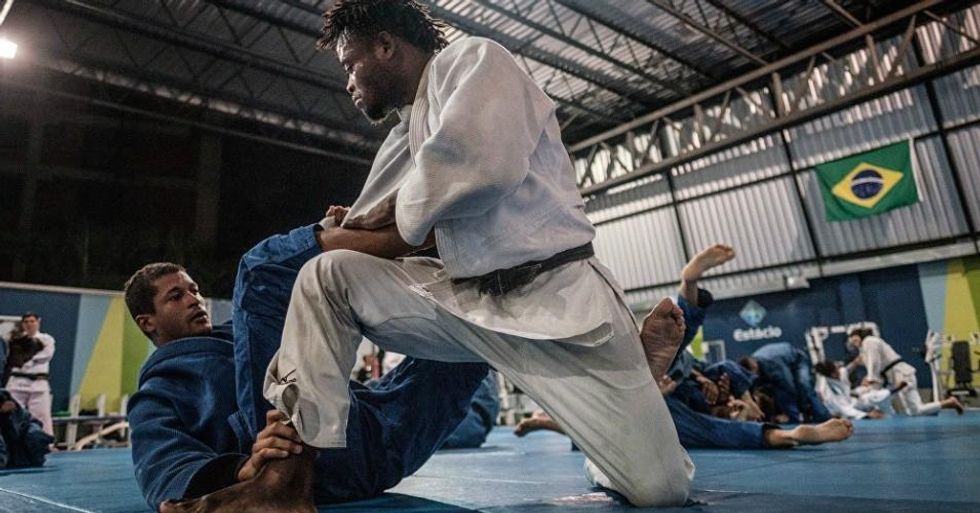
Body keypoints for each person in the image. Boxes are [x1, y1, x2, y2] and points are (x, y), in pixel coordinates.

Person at [261, 1, 693, 507]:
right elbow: (369, 225)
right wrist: (355, 222)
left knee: (659, 491)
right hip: (464, 302)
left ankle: (637, 375)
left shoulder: (473, 60)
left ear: (385, 46)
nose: (350, 83)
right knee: (327, 276)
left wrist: (386, 214)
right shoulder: (408, 132)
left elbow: (481, 168)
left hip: (557, 301)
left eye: (352, 65)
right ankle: (286, 477)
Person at [125, 223, 491, 513]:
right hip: (297, 458)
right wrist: (243, 469)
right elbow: (160, 465)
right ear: (147, 322)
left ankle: (488, 255)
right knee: (259, 270)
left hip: (378, 438)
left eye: (194, 290)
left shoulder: (241, 336)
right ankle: (415, 228)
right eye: (176, 296)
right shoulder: (159, 390)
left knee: (478, 324)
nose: (194, 300)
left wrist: (341, 231)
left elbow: (315, 294)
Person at [518, 244, 853, 450]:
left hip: (655, 406)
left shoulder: (706, 416)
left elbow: (723, 429)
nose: (735, 409)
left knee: (624, 425)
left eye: (736, 412)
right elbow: (726, 377)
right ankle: (688, 286)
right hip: (669, 379)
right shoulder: (731, 382)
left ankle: (645, 382)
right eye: (741, 408)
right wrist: (736, 393)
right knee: (678, 359)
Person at [848, 328, 963, 416]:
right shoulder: (865, 347)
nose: (854, 342)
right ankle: (942, 406)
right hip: (894, 377)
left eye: (855, 338)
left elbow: (874, 362)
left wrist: (871, 378)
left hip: (902, 375)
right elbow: (873, 364)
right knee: (912, 411)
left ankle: (950, 402)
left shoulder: (869, 341)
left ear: (860, 336)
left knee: (915, 410)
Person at [738, 342, 832, 423]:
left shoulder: (771, 363)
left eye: (754, 375)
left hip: (798, 360)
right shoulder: (752, 365)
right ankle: (795, 418)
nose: (754, 378)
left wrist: (800, 407)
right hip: (782, 363)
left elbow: (789, 386)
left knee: (804, 385)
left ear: (754, 367)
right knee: (780, 392)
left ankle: (824, 417)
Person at [6, 312, 55, 436]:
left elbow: (46, 355)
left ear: (38, 322)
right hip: (17, 382)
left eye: (32, 321)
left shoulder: (46, 339)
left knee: (42, 415)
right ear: (23, 324)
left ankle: (45, 443)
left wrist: (30, 360)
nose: (29, 324)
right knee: (11, 413)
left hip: (38, 381)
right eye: (26, 322)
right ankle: (10, 442)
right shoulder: (16, 339)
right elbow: (12, 358)